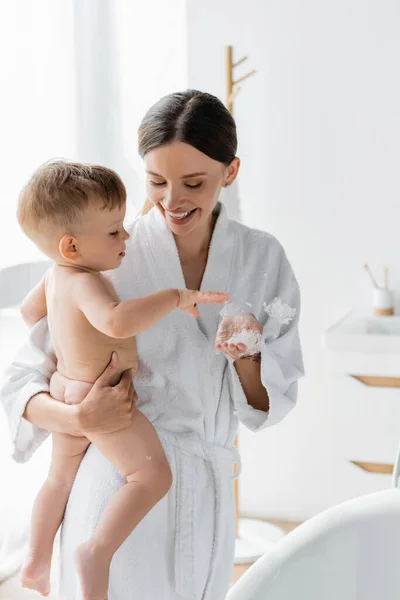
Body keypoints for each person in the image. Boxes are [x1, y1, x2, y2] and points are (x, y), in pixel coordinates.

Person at [0, 90, 304, 600]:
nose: (172, 200)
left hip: (207, 489)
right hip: (117, 479)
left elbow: (267, 403)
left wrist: (249, 358)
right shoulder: (105, 251)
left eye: (193, 183)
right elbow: (18, 383)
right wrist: (78, 419)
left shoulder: (262, 258)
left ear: (229, 172)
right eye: (157, 181)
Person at [15, 160, 229, 600]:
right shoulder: (84, 282)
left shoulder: (56, 275)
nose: (126, 236)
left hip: (67, 387)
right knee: (150, 478)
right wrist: (173, 297)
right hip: (104, 400)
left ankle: (36, 562)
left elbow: (28, 313)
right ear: (72, 247)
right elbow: (114, 322)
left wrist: (70, 338)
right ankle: (97, 552)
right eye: (113, 231)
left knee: (58, 481)